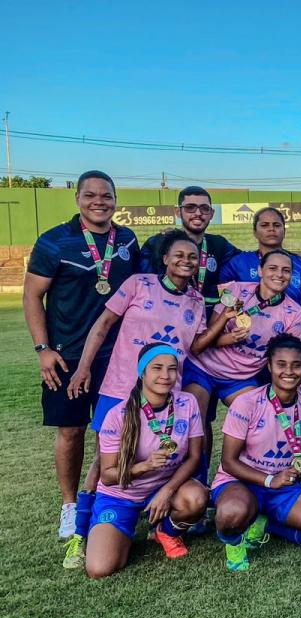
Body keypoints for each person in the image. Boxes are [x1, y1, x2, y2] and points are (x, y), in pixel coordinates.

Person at [25, 170, 141, 541]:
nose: (99, 202)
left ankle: (104, 499)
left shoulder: (127, 239)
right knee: (72, 431)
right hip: (66, 356)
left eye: (106, 196)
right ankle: (70, 505)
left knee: (114, 431)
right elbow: (32, 297)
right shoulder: (54, 242)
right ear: (77, 198)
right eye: (90, 195)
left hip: (116, 357)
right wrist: (43, 350)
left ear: (115, 200)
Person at [212, 334, 301, 572]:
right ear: (270, 367)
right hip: (240, 481)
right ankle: (234, 542)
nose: (289, 371)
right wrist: (269, 480)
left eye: (297, 365)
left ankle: (267, 525)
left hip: (284, 487)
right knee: (232, 513)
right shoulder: (247, 403)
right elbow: (228, 461)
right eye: (281, 365)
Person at [81, 345, 208, 577]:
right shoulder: (118, 415)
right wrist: (145, 466)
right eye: (157, 368)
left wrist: (168, 491)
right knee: (100, 568)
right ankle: (117, 528)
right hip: (121, 494)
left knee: (197, 498)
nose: (165, 376)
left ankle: (164, 531)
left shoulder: (187, 402)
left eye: (172, 369)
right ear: (142, 372)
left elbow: (195, 456)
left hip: (164, 485)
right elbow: (108, 476)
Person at [68, 231, 213, 434]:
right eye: (178, 255)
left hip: (165, 389)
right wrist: (84, 367)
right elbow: (103, 325)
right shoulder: (139, 283)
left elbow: (195, 346)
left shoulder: (197, 301)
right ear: (165, 258)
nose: (186, 261)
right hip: (121, 385)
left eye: (192, 257)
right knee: (107, 457)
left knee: (155, 453)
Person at [184, 250, 301, 482]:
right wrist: (229, 339)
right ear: (260, 270)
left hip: (240, 378)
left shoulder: (294, 312)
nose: (279, 274)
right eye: (273, 268)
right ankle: (198, 484)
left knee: (268, 418)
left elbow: (286, 356)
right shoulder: (238, 290)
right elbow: (207, 336)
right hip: (203, 368)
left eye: (286, 270)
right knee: (195, 422)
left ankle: (252, 482)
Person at [139, 186, 239, 304]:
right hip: (168, 317)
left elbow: (248, 263)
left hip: (209, 318)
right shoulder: (157, 243)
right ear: (178, 212)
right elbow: (143, 285)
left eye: (204, 208)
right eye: (190, 208)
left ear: (211, 214)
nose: (198, 213)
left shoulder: (220, 244)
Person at [219, 206, 301, 306]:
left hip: (292, 322)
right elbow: (218, 291)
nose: (271, 229)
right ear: (254, 232)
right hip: (249, 321)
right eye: (264, 225)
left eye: (276, 225)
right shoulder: (239, 262)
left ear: (284, 231)